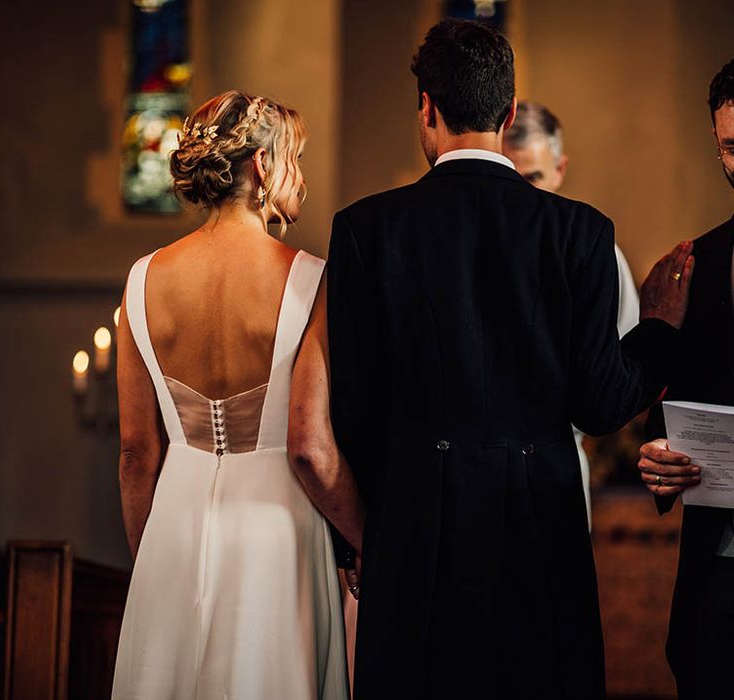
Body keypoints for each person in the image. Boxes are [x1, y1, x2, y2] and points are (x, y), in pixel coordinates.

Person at [291, 18, 694, 700]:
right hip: (540, 538)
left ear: (427, 108)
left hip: (414, 541)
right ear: (508, 113)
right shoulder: (580, 233)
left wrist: (363, 540)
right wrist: (658, 326)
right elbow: (600, 404)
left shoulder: (365, 230)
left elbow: (352, 407)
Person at [111, 91, 351, 700]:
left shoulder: (142, 281)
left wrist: (153, 557)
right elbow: (312, 452)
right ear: (263, 168)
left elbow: (138, 452)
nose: (302, 174)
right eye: (295, 158)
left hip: (172, 526)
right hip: (279, 534)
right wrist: (367, 537)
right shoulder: (311, 279)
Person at [635, 58, 734, 700]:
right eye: (731, 146)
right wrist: (659, 461)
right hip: (721, 585)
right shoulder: (699, 264)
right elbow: (673, 417)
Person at [503, 101, 641, 525]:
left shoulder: (593, 251)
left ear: (560, 169)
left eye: (535, 178)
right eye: (513, 178)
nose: (524, 193)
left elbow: (619, 371)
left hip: (556, 461)